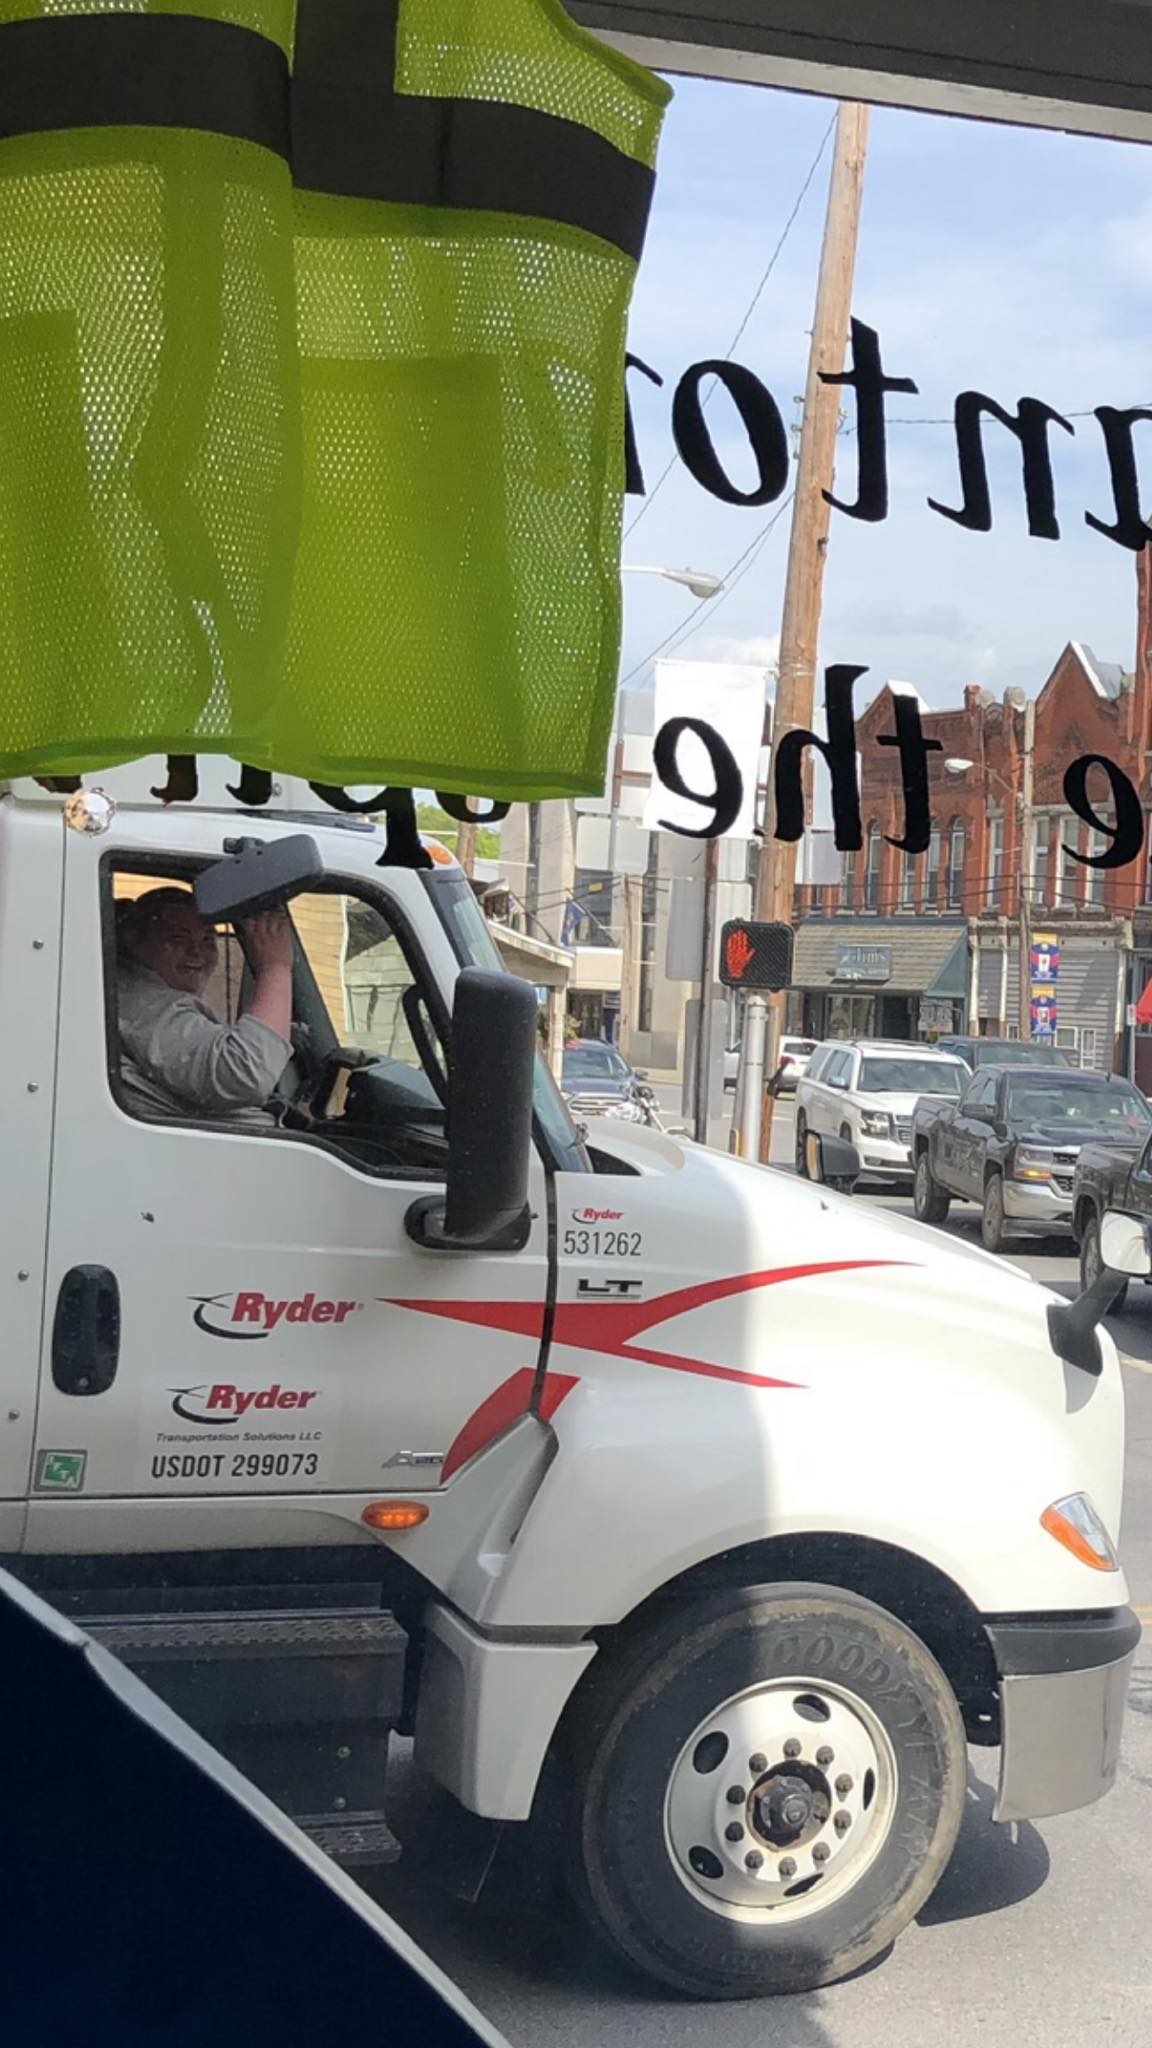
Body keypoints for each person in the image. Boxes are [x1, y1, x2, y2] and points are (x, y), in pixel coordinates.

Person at [116, 887, 294, 1127]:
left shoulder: (138, 998)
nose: (196, 951)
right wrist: (275, 967)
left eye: (208, 939)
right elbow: (245, 1075)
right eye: (178, 938)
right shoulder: (144, 1006)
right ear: (134, 940)